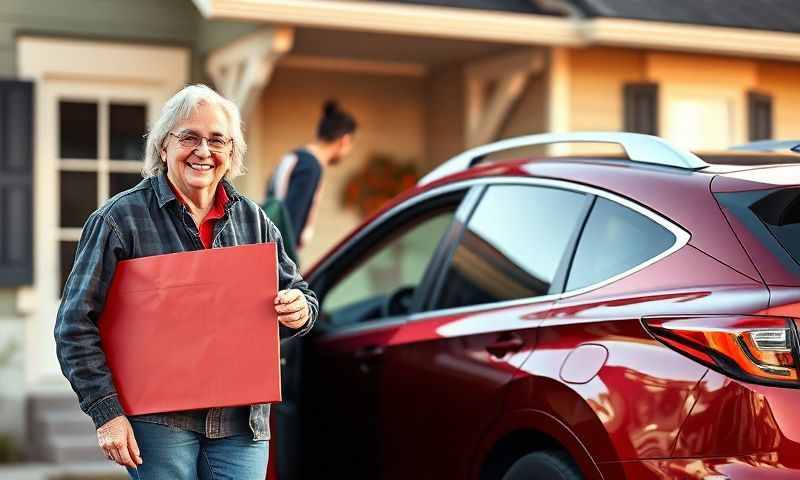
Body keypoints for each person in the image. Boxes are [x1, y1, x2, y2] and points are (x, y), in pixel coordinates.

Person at [54, 84, 318, 479]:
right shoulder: (118, 220)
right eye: (189, 137)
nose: (203, 151)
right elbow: (74, 325)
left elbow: (302, 297)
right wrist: (107, 413)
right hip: (159, 421)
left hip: (241, 424)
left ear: (231, 153)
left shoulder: (254, 220)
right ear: (163, 147)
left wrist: (299, 310)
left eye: (217, 140)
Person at [267, 100, 357, 255]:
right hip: (278, 255)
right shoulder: (310, 167)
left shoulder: (294, 157)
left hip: (267, 242)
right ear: (345, 140)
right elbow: (290, 224)